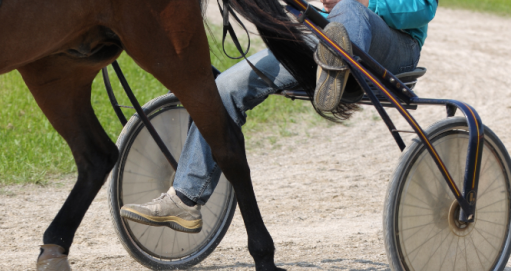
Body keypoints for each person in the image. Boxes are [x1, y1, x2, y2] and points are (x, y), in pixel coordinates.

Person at [120, 0, 437, 233]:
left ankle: (338, 67)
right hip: (325, 37)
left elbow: (423, 7)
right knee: (224, 89)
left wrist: (364, 2)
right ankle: (185, 200)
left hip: (394, 45)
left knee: (350, 13)